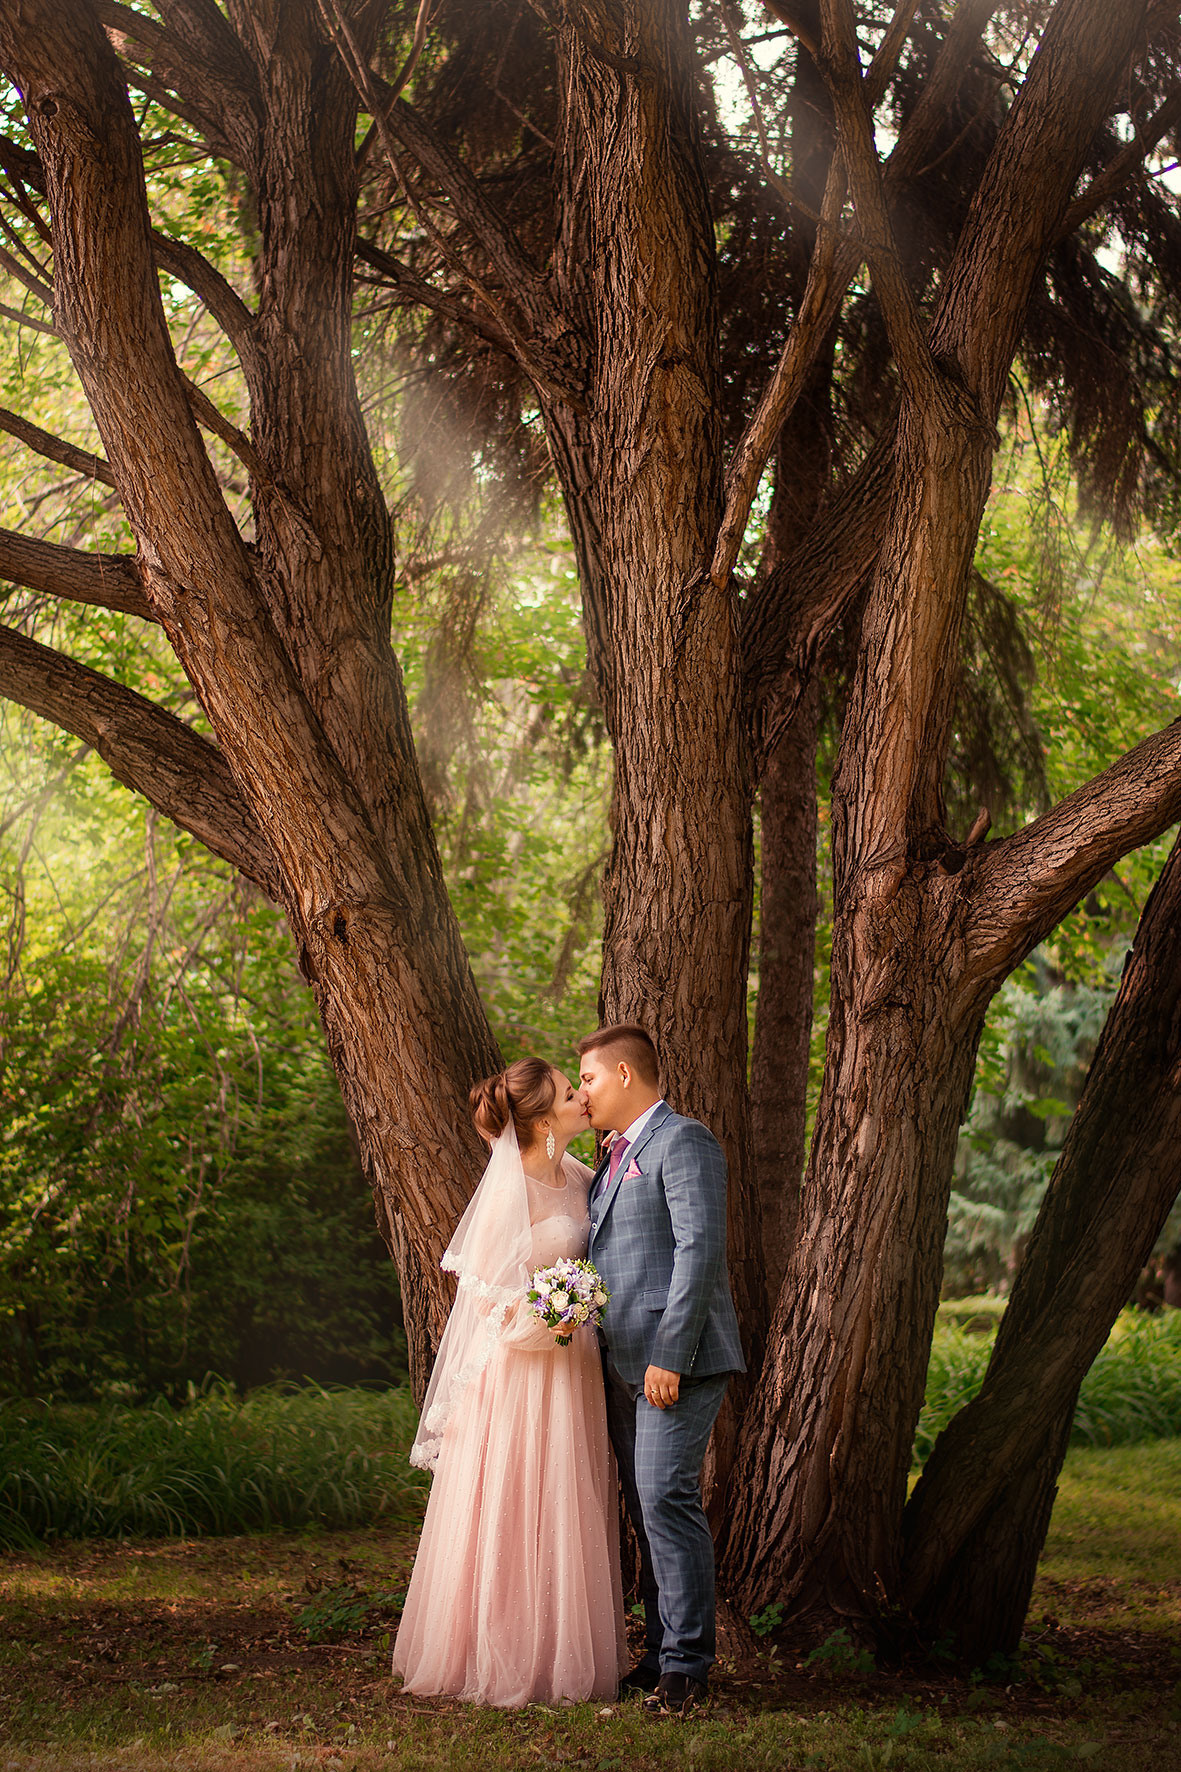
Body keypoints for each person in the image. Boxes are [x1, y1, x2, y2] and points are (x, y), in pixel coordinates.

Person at [392, 1057, 628, 1707]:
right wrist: (553, 1315)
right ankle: (496, 1650)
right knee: (516, 1500)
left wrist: (574, 1314)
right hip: (522, 1371)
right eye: (567, 1091)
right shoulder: (508, 1194)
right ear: (543, 1118)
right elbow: (488, 1309)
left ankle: (560, 1650)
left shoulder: (584, 1176)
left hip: (572, 1368)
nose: (582, 1096)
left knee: (565, 1499)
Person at [579, 1024, 745, 1718]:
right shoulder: (615, 1158)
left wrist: (668, 1356)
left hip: (673, 1363)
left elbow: (699, 1248)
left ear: (623, 1074)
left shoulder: (683, 1140)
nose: (581, 1091)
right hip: (621, 1363)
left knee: (666, 1502)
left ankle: (686, 1667)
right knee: (648, 1514)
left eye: (586, 1077)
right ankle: (657, 1655)